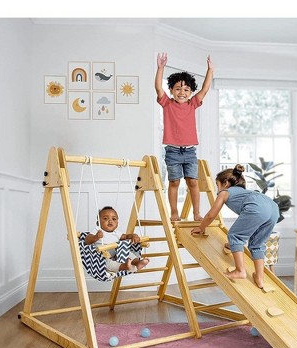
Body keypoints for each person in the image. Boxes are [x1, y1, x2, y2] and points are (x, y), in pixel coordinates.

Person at [190, 165, 279, 289]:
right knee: (257, 244)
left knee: (234, 235)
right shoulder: (245, 193)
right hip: (273, 208)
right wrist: (231, 245)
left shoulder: (224, 192)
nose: (217, 189)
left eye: (217, 185)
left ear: (225, 183)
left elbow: (211, 215)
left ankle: (240, 271)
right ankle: (259, 278)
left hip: (258, 208)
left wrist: (202, 227)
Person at [155, 52, 214, 222]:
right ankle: (174, 212)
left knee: (193, 182)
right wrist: (160, 68)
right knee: (174, 182)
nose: (182, 92)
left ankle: (196, 213)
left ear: (191, 92)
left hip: (189, 151)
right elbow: (158, 88)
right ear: (171, 90)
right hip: (172, 151)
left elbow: (205, 89)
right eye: (178, 89)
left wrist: (210, 70)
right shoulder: (167, 103)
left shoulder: (192, 104)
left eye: (186, 89)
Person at [84, 206, 149, 271]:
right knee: (108, 264)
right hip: (102, 256)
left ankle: (137, 263)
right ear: (98, 222)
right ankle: (124, 266)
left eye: (114, 219)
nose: (110, 221)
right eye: (105, 218)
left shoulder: (116, 233)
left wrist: (133, 235)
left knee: (127, 252)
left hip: (116, 253)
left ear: (117, 223)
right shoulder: (97, 230)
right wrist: (96, 237)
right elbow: (87, 240)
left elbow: (126, 236)